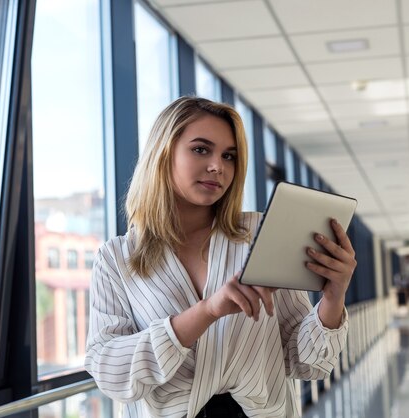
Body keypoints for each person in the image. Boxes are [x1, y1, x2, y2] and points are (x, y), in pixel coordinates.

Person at [85, 96, 357, 418]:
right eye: (201, 149)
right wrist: (206, 312)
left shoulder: (259, 234)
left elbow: (303, 360)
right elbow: (108, 371)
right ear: (163, 153)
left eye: (229, 156)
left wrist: (333, 297)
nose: (218, 166)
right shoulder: (117, 258)